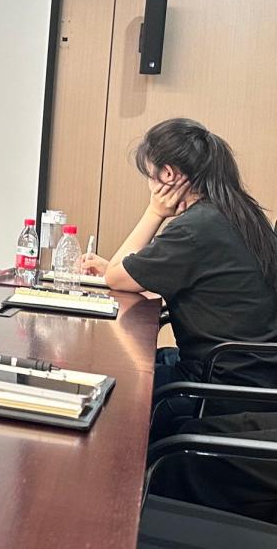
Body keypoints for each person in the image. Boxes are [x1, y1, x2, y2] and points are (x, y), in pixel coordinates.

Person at [80, 118, 277, 441]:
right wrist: (115, 268)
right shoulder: (240, 213)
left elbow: (117, 278)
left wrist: (155, 212)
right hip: (255, 376)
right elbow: (125, 272)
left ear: (168, 175)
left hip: (219, 388)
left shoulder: (197, 227)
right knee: (142, 366)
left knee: (114, 391)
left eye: (150, 174)